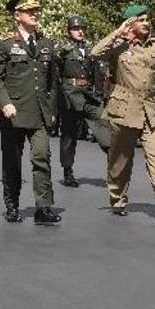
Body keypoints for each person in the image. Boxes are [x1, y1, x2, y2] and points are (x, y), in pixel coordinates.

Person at [91, 4, 155, 221]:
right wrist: (118, 31)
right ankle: (118, 198)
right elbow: (95, 53)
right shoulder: (118, 47)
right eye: (141, 20)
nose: (146, 23)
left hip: (151, 109)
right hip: (124, 109)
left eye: (147, 19)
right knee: (121, 160)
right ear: (130, 23)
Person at [0, 0, 60, 225]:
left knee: (42, 157)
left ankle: (44, 208)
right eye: (30, 11)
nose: (35, 14)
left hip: (39, 113)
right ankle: (12, 205)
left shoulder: (46, 44)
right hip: (14, 113)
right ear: (17, 16)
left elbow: (52, 82)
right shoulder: (4, 44)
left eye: (37, 10)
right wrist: (5, 103)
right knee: (12, 161)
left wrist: (52, 111)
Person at [55, 14, 111, 188]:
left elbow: (97, 74)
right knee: (69, 135)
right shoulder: (62, 49)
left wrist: (100, 94)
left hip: (88, 95)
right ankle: (68, 172)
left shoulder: (90, 49)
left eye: (82, 28)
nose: (80, 31)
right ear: (68, 31)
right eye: (75, 28)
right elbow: (54, 66)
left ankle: (115, 172)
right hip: (69, 95)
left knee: (105, 126)